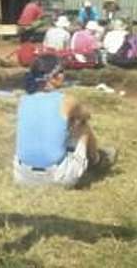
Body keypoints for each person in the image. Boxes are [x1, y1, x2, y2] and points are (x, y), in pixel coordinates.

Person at [13, 54, 116, 187]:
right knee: (82, 125)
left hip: (22, 176)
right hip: (57, 177)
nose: (63, 74)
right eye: (60, 71)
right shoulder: (67, 101)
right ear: (51, 77)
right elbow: (86, 116)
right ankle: (97, 161)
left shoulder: (23, 100)